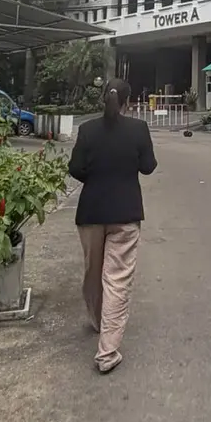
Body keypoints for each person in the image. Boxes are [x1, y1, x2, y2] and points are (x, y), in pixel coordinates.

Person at [67, 78, 157, 374]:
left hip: (91, 212)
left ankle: (97, 320)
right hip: (126, 214)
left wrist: (97, 179)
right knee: (117, 279)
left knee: (93, 272)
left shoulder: (87, 130)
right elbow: (148, 166)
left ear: (103, 98)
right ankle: (107, 352)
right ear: (129, 102)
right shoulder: (138, 129)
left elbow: (75, 168)